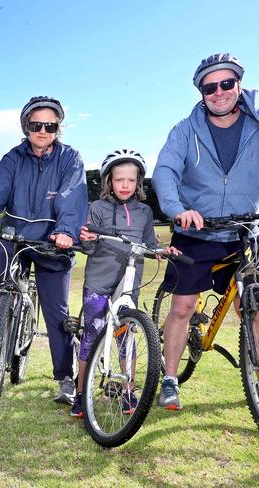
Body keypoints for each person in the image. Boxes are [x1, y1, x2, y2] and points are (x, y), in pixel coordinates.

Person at [153, 52, 259, 411]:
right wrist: (178, 209)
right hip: (197, 232)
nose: (219, 92)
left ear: (238, 84)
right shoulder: (186, 130)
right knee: (183, 306)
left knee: (257, 307)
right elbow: (165, 171)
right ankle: (169, 379)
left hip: (247, 231)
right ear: (201, 92)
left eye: (226, 83)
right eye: (210, 86)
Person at [0, 96, 88, 405]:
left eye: (50, 125)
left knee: (56, 311)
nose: (42, 131)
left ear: (58, 127)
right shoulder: (13, 158)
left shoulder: (70, 158)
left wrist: (66, 232)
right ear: (25, 126)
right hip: (13, 236)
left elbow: (73, 197)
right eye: (35, 125)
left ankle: (65, 377)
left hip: (53, 241)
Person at [69, 149, 179, 417]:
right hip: (99, 281)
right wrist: (88, 240)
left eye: (131, 180)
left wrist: (162, 251)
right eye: (119, 180)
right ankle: (81, 392)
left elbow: (150, 243)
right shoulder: (95, 208)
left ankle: (128, 390)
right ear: (109, 181)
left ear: (138, 182)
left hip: (130, 281)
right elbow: (87, 246)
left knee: (126, 336)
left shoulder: (144, 211)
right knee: (92, 334)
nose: (125, 185)